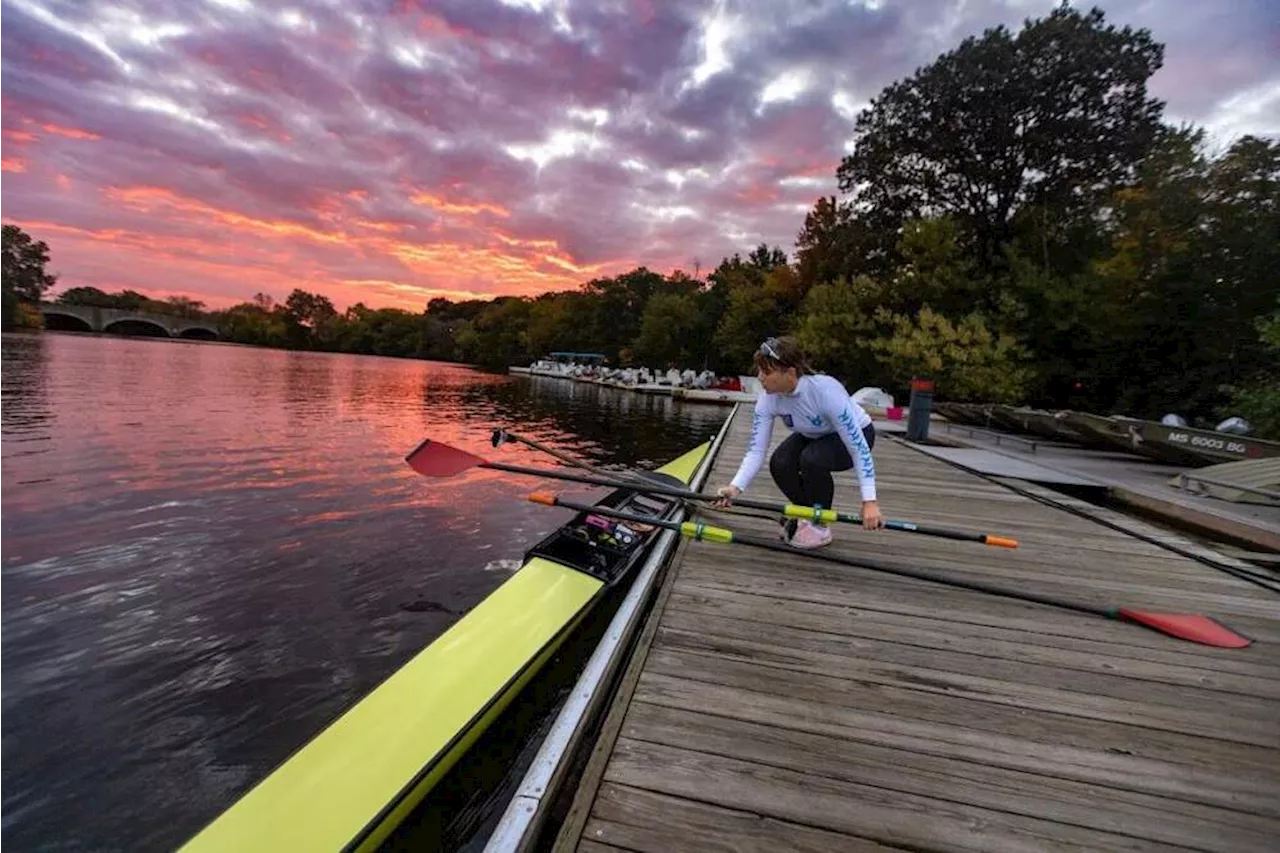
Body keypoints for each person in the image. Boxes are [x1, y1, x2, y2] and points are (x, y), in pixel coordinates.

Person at [713, 336, 883, 549]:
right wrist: (735, 487)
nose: (759, 378)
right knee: (780, 462)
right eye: (759, 371)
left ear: (790, 373)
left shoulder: (825, 391)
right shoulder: (769, 398)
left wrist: (869, 501)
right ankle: (807, 516)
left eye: (766, 372)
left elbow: (858, 449)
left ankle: (820, 526)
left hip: (858, 436)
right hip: (814, 435)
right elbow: (756, 451)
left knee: (811, 460)